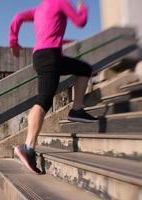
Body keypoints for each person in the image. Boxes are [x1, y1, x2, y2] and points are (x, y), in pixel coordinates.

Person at [9, 0, 98, 174]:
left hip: (44, 56)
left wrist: (13, 40)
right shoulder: (60, 2)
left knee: (84, 69)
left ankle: (77, 109)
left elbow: (18, 17)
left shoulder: (39, 9)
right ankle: (28, 148)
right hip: (50, 56)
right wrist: (83, 8)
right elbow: (80, 22)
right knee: (44, 100)